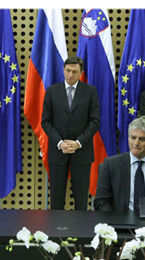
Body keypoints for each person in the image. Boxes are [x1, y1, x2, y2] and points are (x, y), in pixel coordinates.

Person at [41, 56, 100, 210]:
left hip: (82, 151)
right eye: (67, 70)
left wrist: (78, 143)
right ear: (63, 70)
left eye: (74, 72)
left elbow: (94, 122)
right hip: (58, 150)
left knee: (81, 199)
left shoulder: (90, 91)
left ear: (81, 73)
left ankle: (80, 233)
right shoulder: (52, 91)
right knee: (56, 198)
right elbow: (46, 122)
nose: (70, 75)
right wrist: (60, 143)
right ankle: (55, 232)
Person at [94, 116, 145, 212]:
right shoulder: (110, 165)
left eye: (142, 139)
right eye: (133, 137)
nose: (136, 143)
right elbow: (101, 202)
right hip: (120, 222)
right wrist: (117, 221)